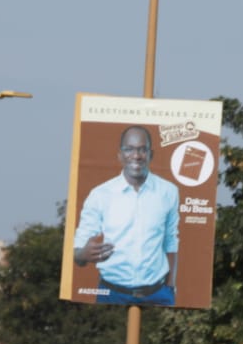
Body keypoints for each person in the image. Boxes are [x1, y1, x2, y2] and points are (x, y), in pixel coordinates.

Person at [72, 125, 179, 305]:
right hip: (111, 294)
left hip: (159, 294)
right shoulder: (100, 195)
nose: (136, 156)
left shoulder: (168, 192)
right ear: (120, 155)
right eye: (129, 149)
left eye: (142, 149)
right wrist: (83, 254)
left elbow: (171, 240)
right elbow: (77, 251)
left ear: (150, 154)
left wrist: (171, 285)